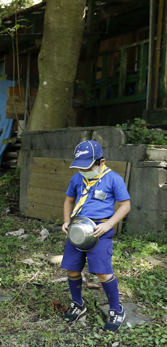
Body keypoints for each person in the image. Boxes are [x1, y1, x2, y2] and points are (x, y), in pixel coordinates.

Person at [61, 140, 130, 331]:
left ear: (101, 161)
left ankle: (116, 309)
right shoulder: (77, 179)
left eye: (88, 166)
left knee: (102, 271)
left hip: (100, 230)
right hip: (77, 229)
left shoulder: (113, 179)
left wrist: (108, 224)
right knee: (72, 268)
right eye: (80, 167)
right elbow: (68, 200)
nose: (84, 170)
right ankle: (78, 304)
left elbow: (125, 206)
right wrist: (66, 221)